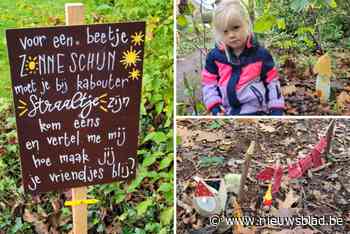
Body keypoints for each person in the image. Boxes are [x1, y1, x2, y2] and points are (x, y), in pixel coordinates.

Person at [202, 0, 285, 115]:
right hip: (226, 111)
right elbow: (209, 84)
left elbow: (272, 82)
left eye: (236, 27)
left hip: (256, 110)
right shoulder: (215, 57)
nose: (231, 35)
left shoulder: (261, 55)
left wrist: (276, 107)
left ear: (246, 23)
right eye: (225, 31)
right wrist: (214, 105)